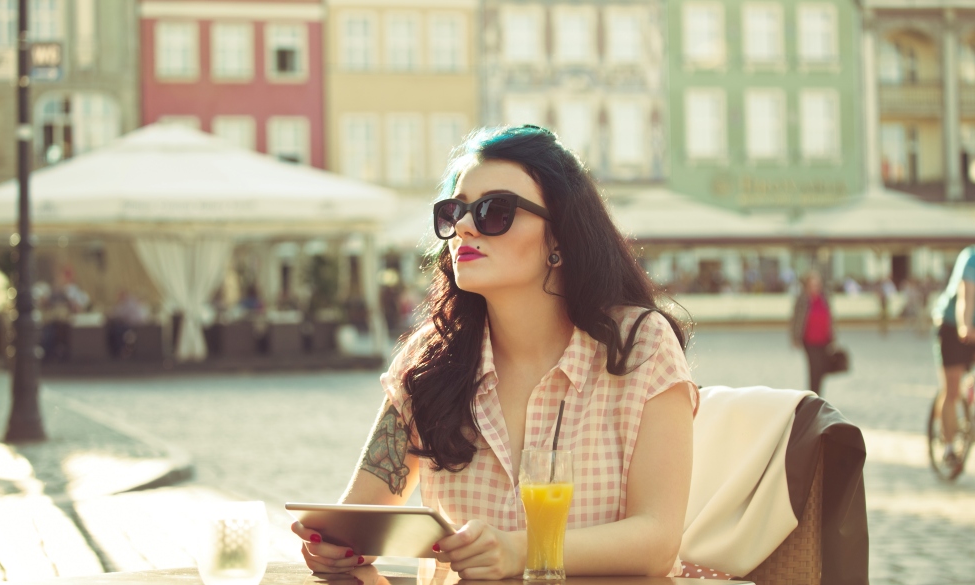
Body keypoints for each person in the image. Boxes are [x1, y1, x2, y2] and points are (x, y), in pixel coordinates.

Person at [291, 126, 701, 579]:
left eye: (494, 211)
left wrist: (519, 551)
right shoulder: (430, 358)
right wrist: (335, 546)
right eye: (454, 211)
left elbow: (658, 541)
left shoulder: (640, 344)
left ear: (561, 235)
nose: (464, 226)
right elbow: (356, 518)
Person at [931, 244, 975, 468]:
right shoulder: (972, 258)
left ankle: (971, 393)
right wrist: (965, 326)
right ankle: (949, 447)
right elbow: (966, 298)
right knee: (952, 389)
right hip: (954, 326)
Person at [790, 270, 835, 396]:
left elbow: (830, 317)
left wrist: (832, 336)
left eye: (817, 283)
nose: (816, 287)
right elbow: (795, 319)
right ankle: (813, 395)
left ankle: (818, 395)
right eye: (813, 284)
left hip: (824, 339)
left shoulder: (824, 297)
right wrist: (794, 337)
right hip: (810, 340)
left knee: (821, 369)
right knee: (814, 369)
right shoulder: (803, 299)